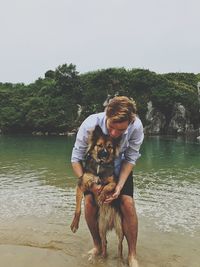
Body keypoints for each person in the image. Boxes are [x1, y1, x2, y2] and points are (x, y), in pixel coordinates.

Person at [71, 96, 144, 267]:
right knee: (89, 202)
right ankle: (97, 246)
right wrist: (93, 187)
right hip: (93, 168)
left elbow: (131, 159)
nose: (114, 134)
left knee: (127, 202)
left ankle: (132, 254)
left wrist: (118, 186)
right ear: (107, 115)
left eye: (120, 131)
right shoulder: (90, 124)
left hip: (120, 167)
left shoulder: (136, 127)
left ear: (130, 121)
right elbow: (75, 159)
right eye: (111, 127)